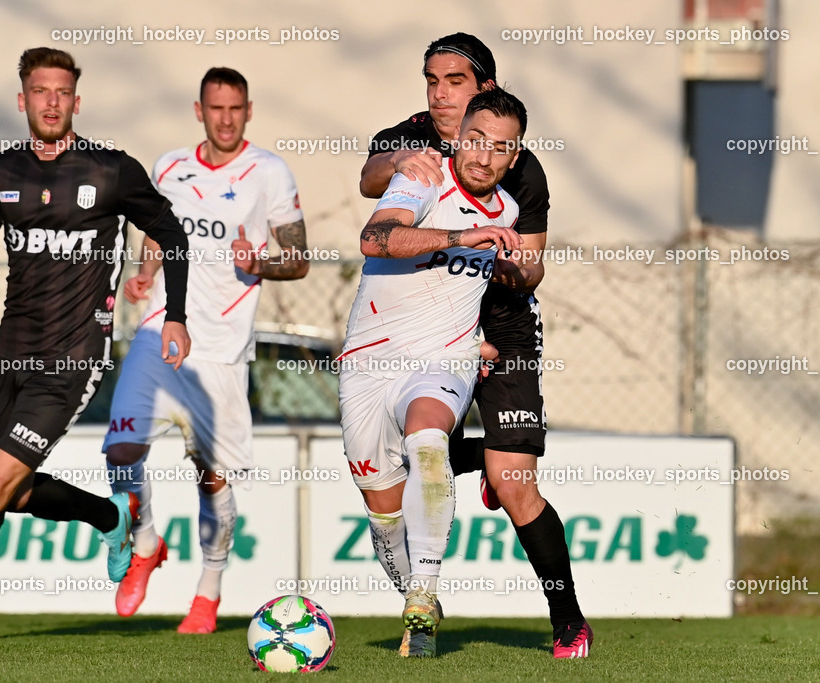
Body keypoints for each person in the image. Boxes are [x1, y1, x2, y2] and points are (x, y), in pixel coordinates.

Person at [0, 47, 191, 643]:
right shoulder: (2, 173)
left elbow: (171, 233)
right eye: (41, 92)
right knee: (15, 494)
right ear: (22, 100)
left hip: (72, 358)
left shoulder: (110, 170)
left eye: (63, 92)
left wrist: (174, 316)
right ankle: (108, 517)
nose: (53, 102)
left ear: (77, 100)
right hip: (12, 352)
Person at [360, 33, 592, 659]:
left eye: (455, 81)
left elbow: (533, 268)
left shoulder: (521, 166)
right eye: (431, 80)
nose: (439, 94)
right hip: (428, 332)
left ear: (485, 89)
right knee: (410, 463)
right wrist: (402, 165)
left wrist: (502, 258)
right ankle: (424, 601)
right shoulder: (412, 134)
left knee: (513, 482)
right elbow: (369, 178)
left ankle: (568, 620)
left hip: (503, 328)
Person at [102, 67, 309, 634]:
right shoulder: (168, 166)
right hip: (160, 333)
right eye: (215, 108)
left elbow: (300, 258)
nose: (225, 118)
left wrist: (259, 263)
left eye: (235, 108)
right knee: (121, 448)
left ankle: (208, 589)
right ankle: (144, 545)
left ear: (248, 110)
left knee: (210, 477)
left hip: (221, 349)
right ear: (199, 110)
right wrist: (144, 275)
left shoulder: (269, 172)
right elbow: (155, 233)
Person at [341, 89, 525, 657]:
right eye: (475, 141)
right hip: (369, 360)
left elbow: (509, 277)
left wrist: (515, 284)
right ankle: (412, 593)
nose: (483, 157)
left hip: (444, 359)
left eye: (500, 148)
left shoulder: (510, 214)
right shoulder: (423, 176)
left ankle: (424, 592)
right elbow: (375, 237)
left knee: (427, 436)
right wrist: (460, 238)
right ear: (459, 139)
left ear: (514, 157)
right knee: (383, 508)